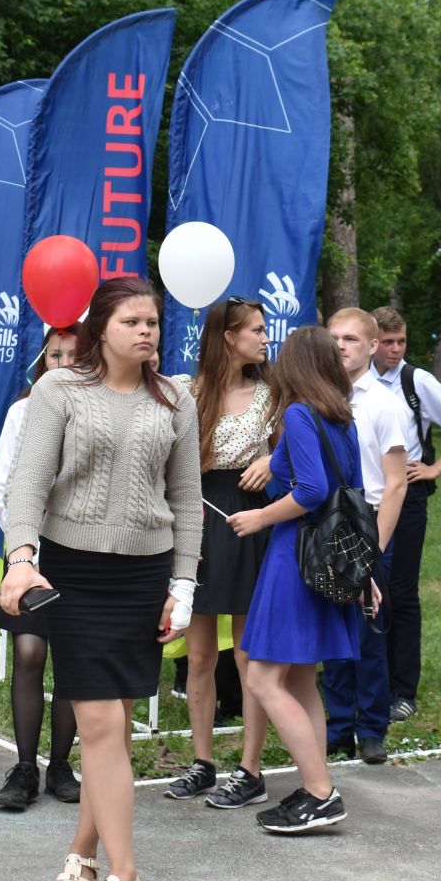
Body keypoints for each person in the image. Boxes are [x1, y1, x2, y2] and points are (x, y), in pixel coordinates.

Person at [0, 276, 201, 881]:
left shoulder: (177, 399)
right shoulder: (59, 390)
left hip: (143, 577)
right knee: (101, 727)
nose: (146, 332)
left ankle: (82, 854)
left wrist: (185, 586)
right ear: (101, 328)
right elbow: (27, 484)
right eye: (132, 321)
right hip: (72, 573)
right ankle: (127, 878)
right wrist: (21, 557)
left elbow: (188, 502)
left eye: (153, 322)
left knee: (108, 723)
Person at [225, 326, 370, 833]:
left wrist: (260, 518)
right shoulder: (341, 418)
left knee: (263, 677)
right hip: (327, 558)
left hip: (296, 557)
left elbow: (311, 491)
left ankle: (321, 792)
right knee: (303, 678)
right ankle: (315, 786)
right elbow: (352, 493)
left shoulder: (299, 414)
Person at [162, 299, 271, 804]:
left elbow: (301, 448)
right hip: (200, 515)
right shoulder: (187, 390)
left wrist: (273, 457)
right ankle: (201, 761)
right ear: (228, 336)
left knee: (251, 658)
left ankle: (250, 770)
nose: (266, 337)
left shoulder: (273, 395)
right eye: (256, 329)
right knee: (200, 654)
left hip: (251, 519)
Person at [368, 307, 441, 721]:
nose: (395, 350)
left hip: (408, 494)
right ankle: (365, 678)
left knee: (400, 590)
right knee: (362, 587)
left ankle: (403, 689)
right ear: (370, 341)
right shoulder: (355, 381)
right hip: (364, 496)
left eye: (401, 342)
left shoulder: (415, 381)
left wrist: (437, 467)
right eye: (387, 342)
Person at [0, 326, 82, 809]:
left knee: (69, 658)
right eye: (54, 354)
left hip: (80, 553)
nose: (62, 363)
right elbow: (2, 486)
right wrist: (25, 551)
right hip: (29, 553)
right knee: (29, 653)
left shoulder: (96, 409)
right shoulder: (22, 412)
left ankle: (60, 764)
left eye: (72, 355)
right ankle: (25, 766)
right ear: (41, 360)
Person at [320, 308, 408, 764]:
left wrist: (376, 547)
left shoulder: (385, 403)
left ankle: (371, 725)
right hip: (329, 522)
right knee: (333, 628)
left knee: (369, 629)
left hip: (370, 521)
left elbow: (396, 482)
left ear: (373, 346)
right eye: (333, 336)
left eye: (351, 338)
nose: (340, 345)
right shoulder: (319, 396)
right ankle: (337, 725)